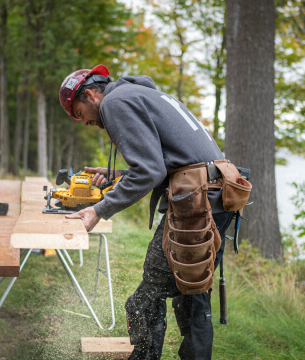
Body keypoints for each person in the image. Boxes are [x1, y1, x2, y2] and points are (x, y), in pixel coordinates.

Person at [60, 64, 232, 360]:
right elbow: (167, 164)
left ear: (89, 95)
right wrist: (120, 174)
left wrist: (98, 210)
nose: (84, 122)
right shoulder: (136, 94)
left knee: (143, 301)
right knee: (191, 292)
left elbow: (151, 171)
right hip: (215, 196)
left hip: (198, 203)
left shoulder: (115, 103)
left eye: (78, 113)